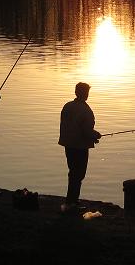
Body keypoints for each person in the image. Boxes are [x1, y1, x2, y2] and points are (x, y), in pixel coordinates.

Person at [58, 82, 101, 212]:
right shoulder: (86, 110)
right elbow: (86, 131)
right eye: (87, 92)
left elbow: (69, 126)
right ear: (84, 93)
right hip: (80, 147)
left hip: (68, 145)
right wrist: (95, 135)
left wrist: (91, 136)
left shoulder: (67, 106)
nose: (87, 95)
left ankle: (71, 200)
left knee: (73, 172)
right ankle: (72, 202)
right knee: (78, 174)